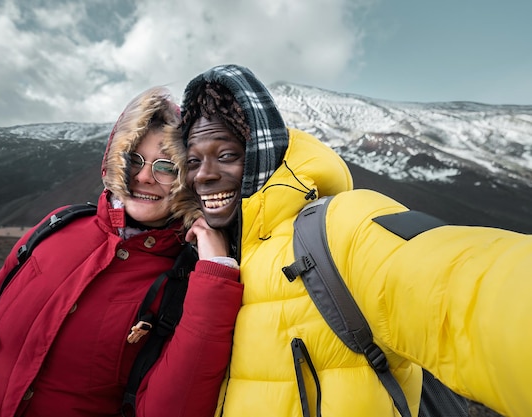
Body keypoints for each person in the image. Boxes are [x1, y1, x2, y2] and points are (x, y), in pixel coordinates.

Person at [179, 64, 532, 417]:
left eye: (226, 155)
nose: (204, 174)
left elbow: (458, 287)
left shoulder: (336, 228)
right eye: (193, 161)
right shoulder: (198, 256)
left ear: (260, 155)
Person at [0, 86, 243, 417]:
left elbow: (171, 407)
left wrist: (216, 273)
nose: (143, 177)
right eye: (133, 160)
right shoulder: (57, 227)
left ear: (189, 177)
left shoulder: (187, 279)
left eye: (167, 167)